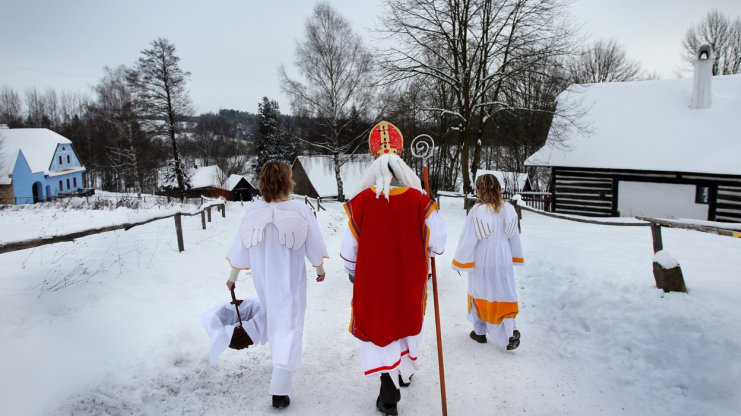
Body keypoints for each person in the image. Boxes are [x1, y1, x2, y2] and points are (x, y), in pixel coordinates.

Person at [340, 121, 447, 416]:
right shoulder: (420, 201)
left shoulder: (360, 202)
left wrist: (353, 270)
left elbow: (349, 253)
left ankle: (389, 390)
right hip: (408, 280)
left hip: (373, 283)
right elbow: (437, 245)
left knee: (380, 329)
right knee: (404, 323)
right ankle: (403, 375)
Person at [224, 160, 328, 409]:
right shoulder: (300, 210)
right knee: (289, 326)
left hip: (265, 280)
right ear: (286, 180)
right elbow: (313, 242)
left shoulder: (252, 211)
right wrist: (319, 267)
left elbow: (241, 248)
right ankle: (280, 389)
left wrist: (233, 277)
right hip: (290, 281)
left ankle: (281, 369)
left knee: (278, 323)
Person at [451, 173, 524, 350]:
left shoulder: (477, 211)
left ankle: (480, 331)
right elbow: (514, 236)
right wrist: (515, 256)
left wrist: (460, 261)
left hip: (483, 258)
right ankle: (509, 329)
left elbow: (468, 238)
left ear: (479, 190)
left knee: (479, 292)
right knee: (504, 292)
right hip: (503, 257)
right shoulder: (508, 209)